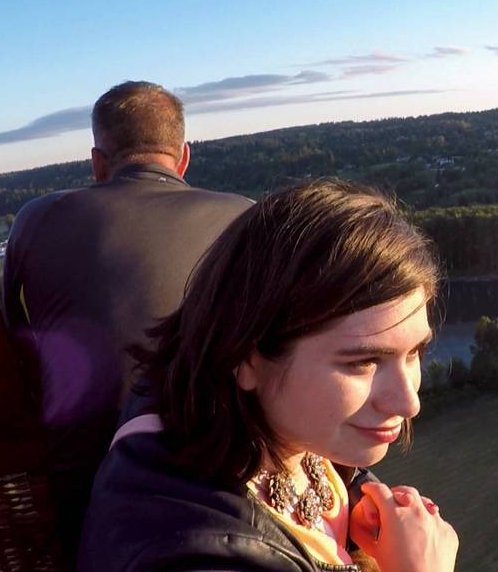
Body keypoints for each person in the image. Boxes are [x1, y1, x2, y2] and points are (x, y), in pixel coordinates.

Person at [78, 179, 459, 572]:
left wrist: (358, 501)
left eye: (415, 352)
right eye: (362, 363)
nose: (408, 401)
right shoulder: (192, 555)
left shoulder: (230, 413)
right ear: (246, 358)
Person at [2, 81, 253, 561]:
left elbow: (17, 345)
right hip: (224, 476)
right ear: (183, 157)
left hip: (89, 489)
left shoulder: (36, 218)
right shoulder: (245, 218)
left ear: (98, 163)